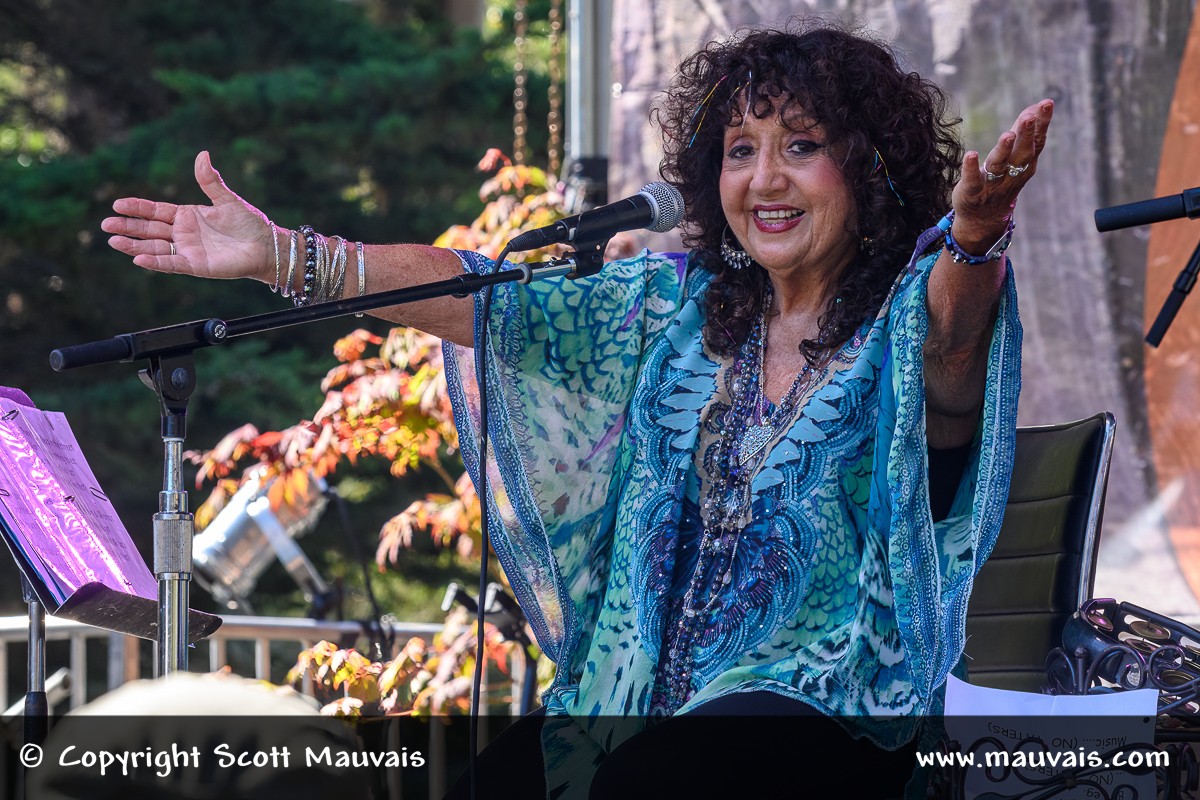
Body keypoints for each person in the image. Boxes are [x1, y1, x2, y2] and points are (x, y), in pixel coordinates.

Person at [102, 20, 1052, 800]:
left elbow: (953, 341)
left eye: (801, 147)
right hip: (638, 705)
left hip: (830, 707)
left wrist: (974, 239)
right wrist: (283, 256)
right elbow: (479, 293)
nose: (763, 179)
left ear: (872, 167)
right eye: (739, 151)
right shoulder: (670, 316)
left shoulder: (901, 319)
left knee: (653, 784)